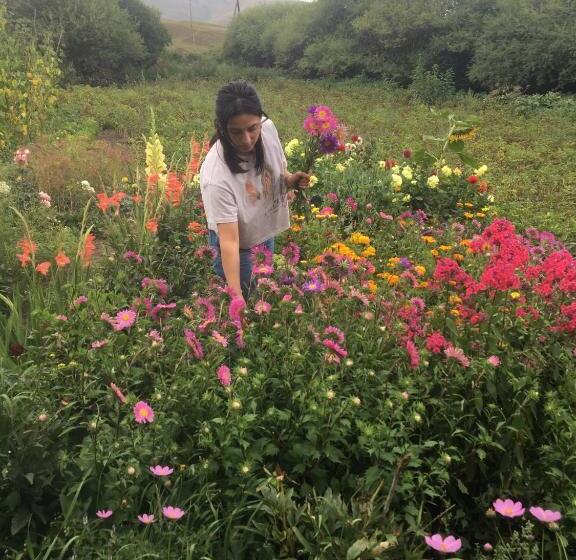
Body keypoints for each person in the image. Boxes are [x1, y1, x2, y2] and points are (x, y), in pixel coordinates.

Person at [200, 80, 310, 301]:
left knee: (262, 293)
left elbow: (276, 172)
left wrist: (290, 181)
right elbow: (229, 242)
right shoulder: (216, 176)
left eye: (252, 128)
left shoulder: (267, 129)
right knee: (247, 298)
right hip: (238, 248)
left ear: (260, 119)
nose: (247, 139)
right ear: (221, 128)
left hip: (262, 231)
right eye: (236, 132)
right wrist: (236, 297)